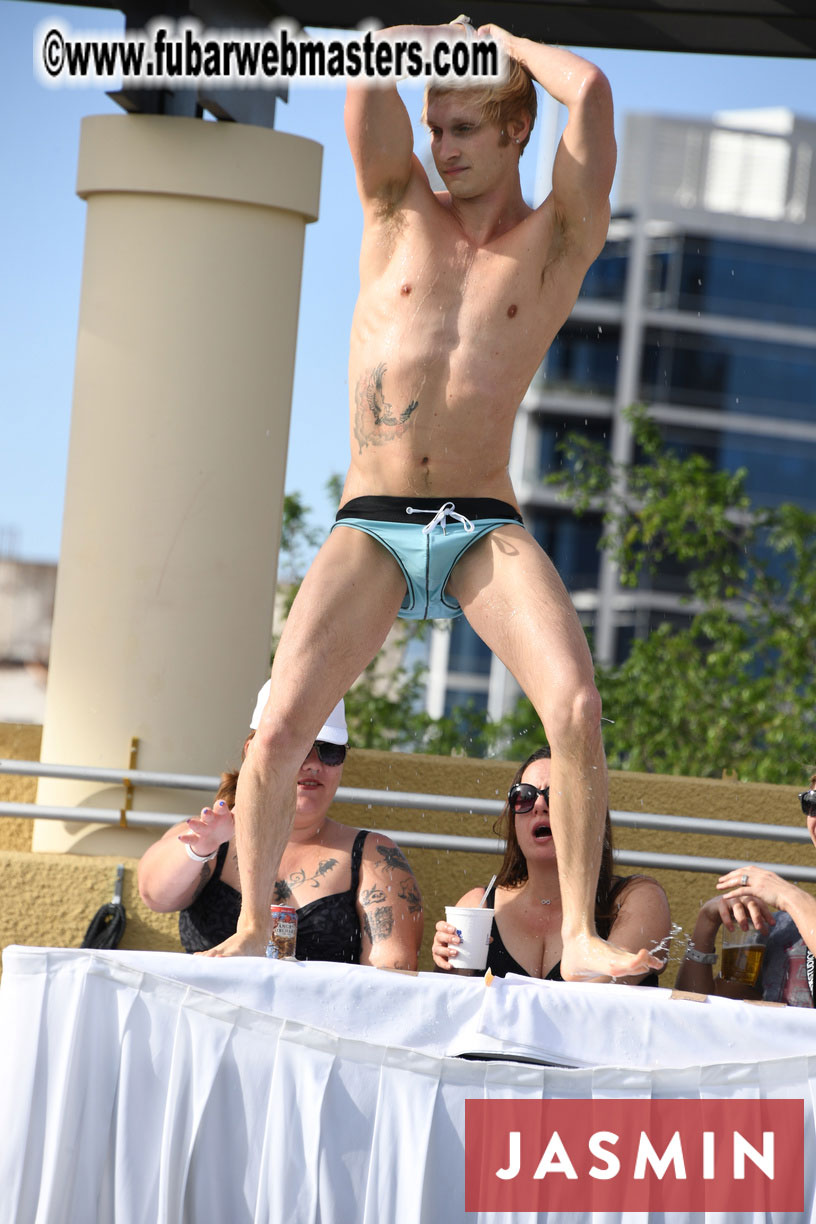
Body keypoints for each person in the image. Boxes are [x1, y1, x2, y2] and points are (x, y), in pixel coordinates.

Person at [205, 18, 661, 983]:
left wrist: (504, 41)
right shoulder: (394, 202)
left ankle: (579, 936)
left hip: (478, 525)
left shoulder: (558, 240)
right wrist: (433, 42)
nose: (441, 149)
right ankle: (249, 924)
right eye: (435, 125)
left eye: (462, 129)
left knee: (575, 707)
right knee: (281, 724)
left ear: (513, 134)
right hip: (371, 522)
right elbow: (364, 64)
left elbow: (592, 94)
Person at [138, 686, 423, 968]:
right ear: (254, 752)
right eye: (296, 748)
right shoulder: (211, 833)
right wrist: (201, 850)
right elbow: (154, 896)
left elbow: (393, 971)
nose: (312, 764)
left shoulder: (373, 855)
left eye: (330, 751)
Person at [432, 747, 671, 981]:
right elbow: (451, 1010)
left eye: (558, 793)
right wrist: (446, 965)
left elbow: (597, 1000)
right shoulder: (479, 905)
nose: (538, 805)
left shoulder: (637, 900)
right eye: (523, 796)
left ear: (589, 813)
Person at [675, 774, 816, 1006]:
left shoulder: (791, 906)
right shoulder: (782, 928)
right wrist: (706, 924)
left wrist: (788, 895)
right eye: (813, 802)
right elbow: (695, 1010)